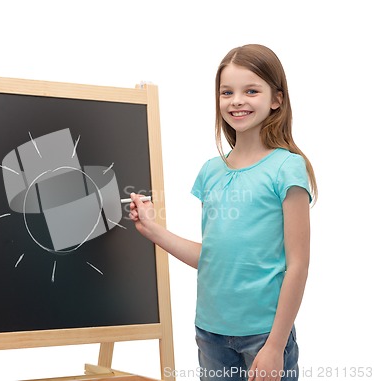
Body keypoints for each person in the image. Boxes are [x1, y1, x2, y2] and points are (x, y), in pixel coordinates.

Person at [129, 44, 317, 381]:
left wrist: (275, 344)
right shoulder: (210, 172)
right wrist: (153, 229)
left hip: (264, 335)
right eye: (226, 92)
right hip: (210, 333)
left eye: (251, 91)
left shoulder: (287, 169)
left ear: (277, 99)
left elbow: (298, 265)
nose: (236, 101)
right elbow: (213, 257)